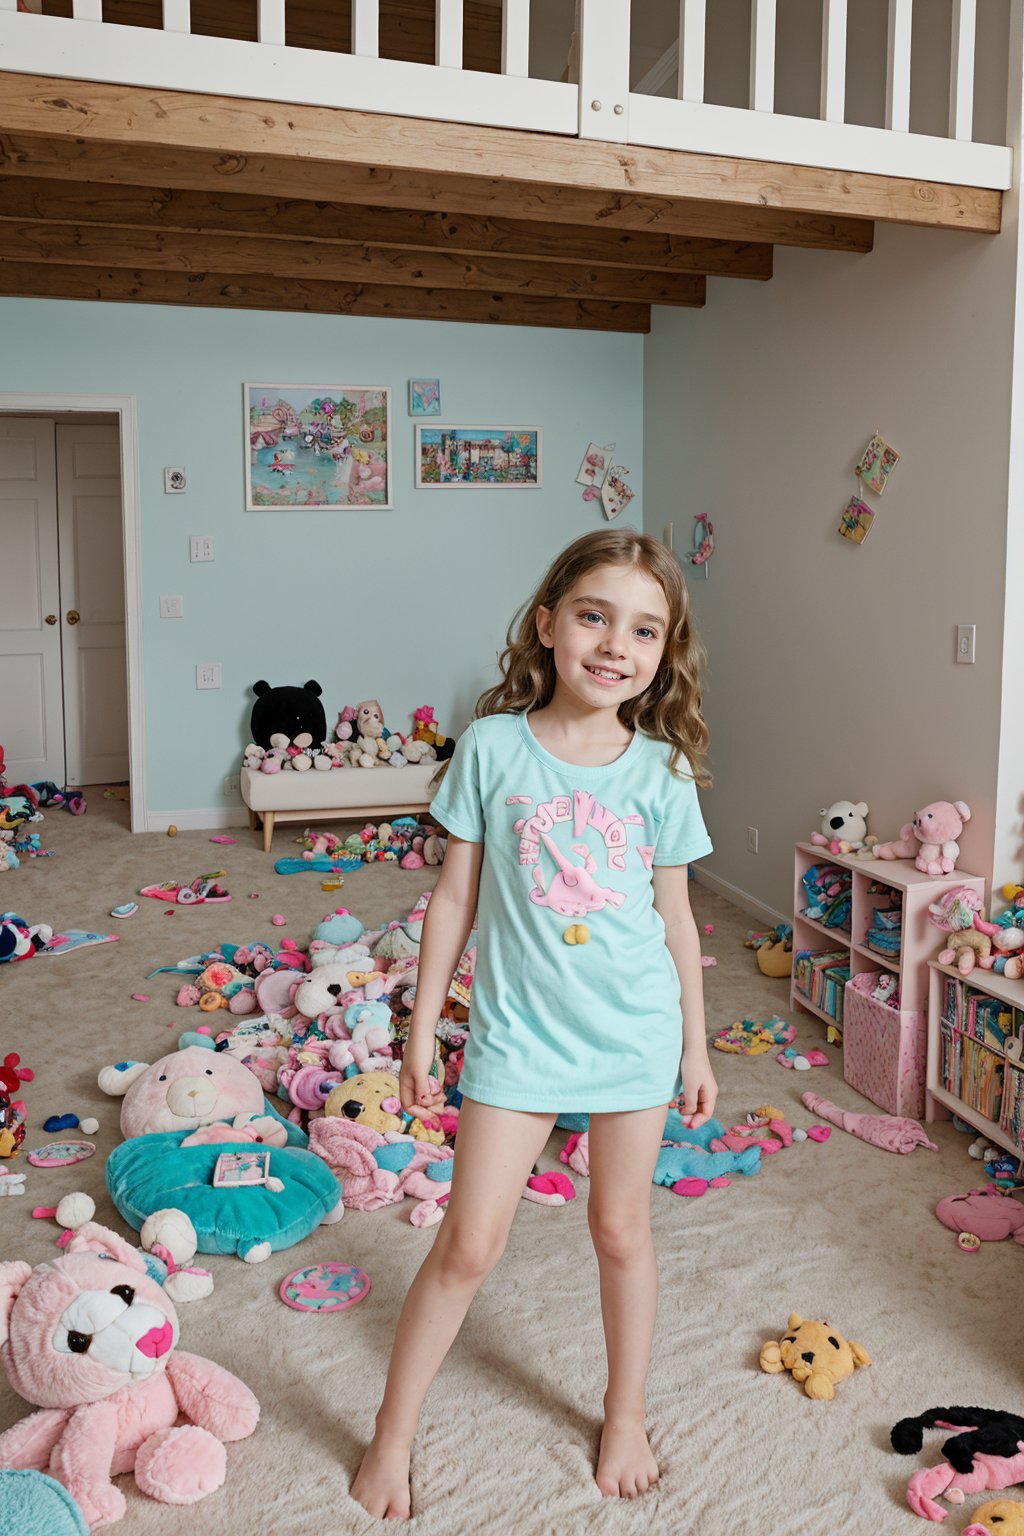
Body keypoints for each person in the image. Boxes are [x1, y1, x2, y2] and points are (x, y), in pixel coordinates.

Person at [350, 527, 716, 1520]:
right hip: (516, 1039)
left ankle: (626, 1410)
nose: (615, 644)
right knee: (468, 1245)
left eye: (644, 629)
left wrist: (695, 1039)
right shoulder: (493, 746)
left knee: (620, 1230)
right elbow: (454, 899)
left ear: (662, 652)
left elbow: (675, 918)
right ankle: (392, 1433)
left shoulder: (662, 769)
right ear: (548, 623)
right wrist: (422, 1024)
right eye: (594, 615)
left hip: (631, 1034)